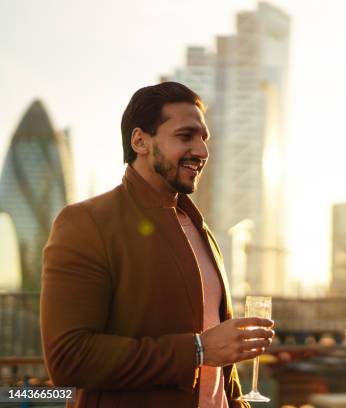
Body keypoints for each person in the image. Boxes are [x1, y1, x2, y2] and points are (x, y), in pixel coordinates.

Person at [41, 82, 274, 408]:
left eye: (204, 139)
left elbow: (222, 365)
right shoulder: (85, 223)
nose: (203, 151)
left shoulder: (200, 229)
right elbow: (69, 359)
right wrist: (198, 349)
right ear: (140, 141)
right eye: (185, 136)